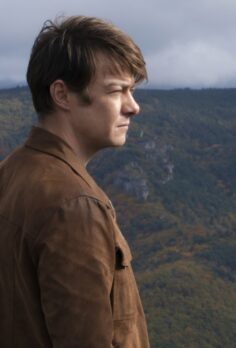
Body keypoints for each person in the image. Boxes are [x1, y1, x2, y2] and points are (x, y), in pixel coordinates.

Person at [0, 16, 149, 346]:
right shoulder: (75, 206)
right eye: (116, 91)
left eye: (132, 90)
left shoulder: (10, 173)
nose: (133, 106)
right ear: (62, 95)